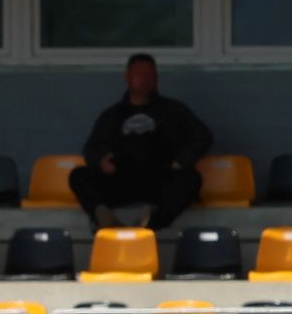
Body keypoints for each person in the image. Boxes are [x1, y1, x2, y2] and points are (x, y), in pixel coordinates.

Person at [68, 53, 212, 231]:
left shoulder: (173, 110)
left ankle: (149, 224)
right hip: (120, 181)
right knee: (78, 175)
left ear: (156, 78)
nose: (145, 79)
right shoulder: (112, 115)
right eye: (139, 74)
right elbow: (91, 148)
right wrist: (100, 162)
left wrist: (180, 162)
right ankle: (104, 217)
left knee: (191, 178)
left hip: (161, 180)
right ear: (127, 77)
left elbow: (203, 137)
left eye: (150, 74)